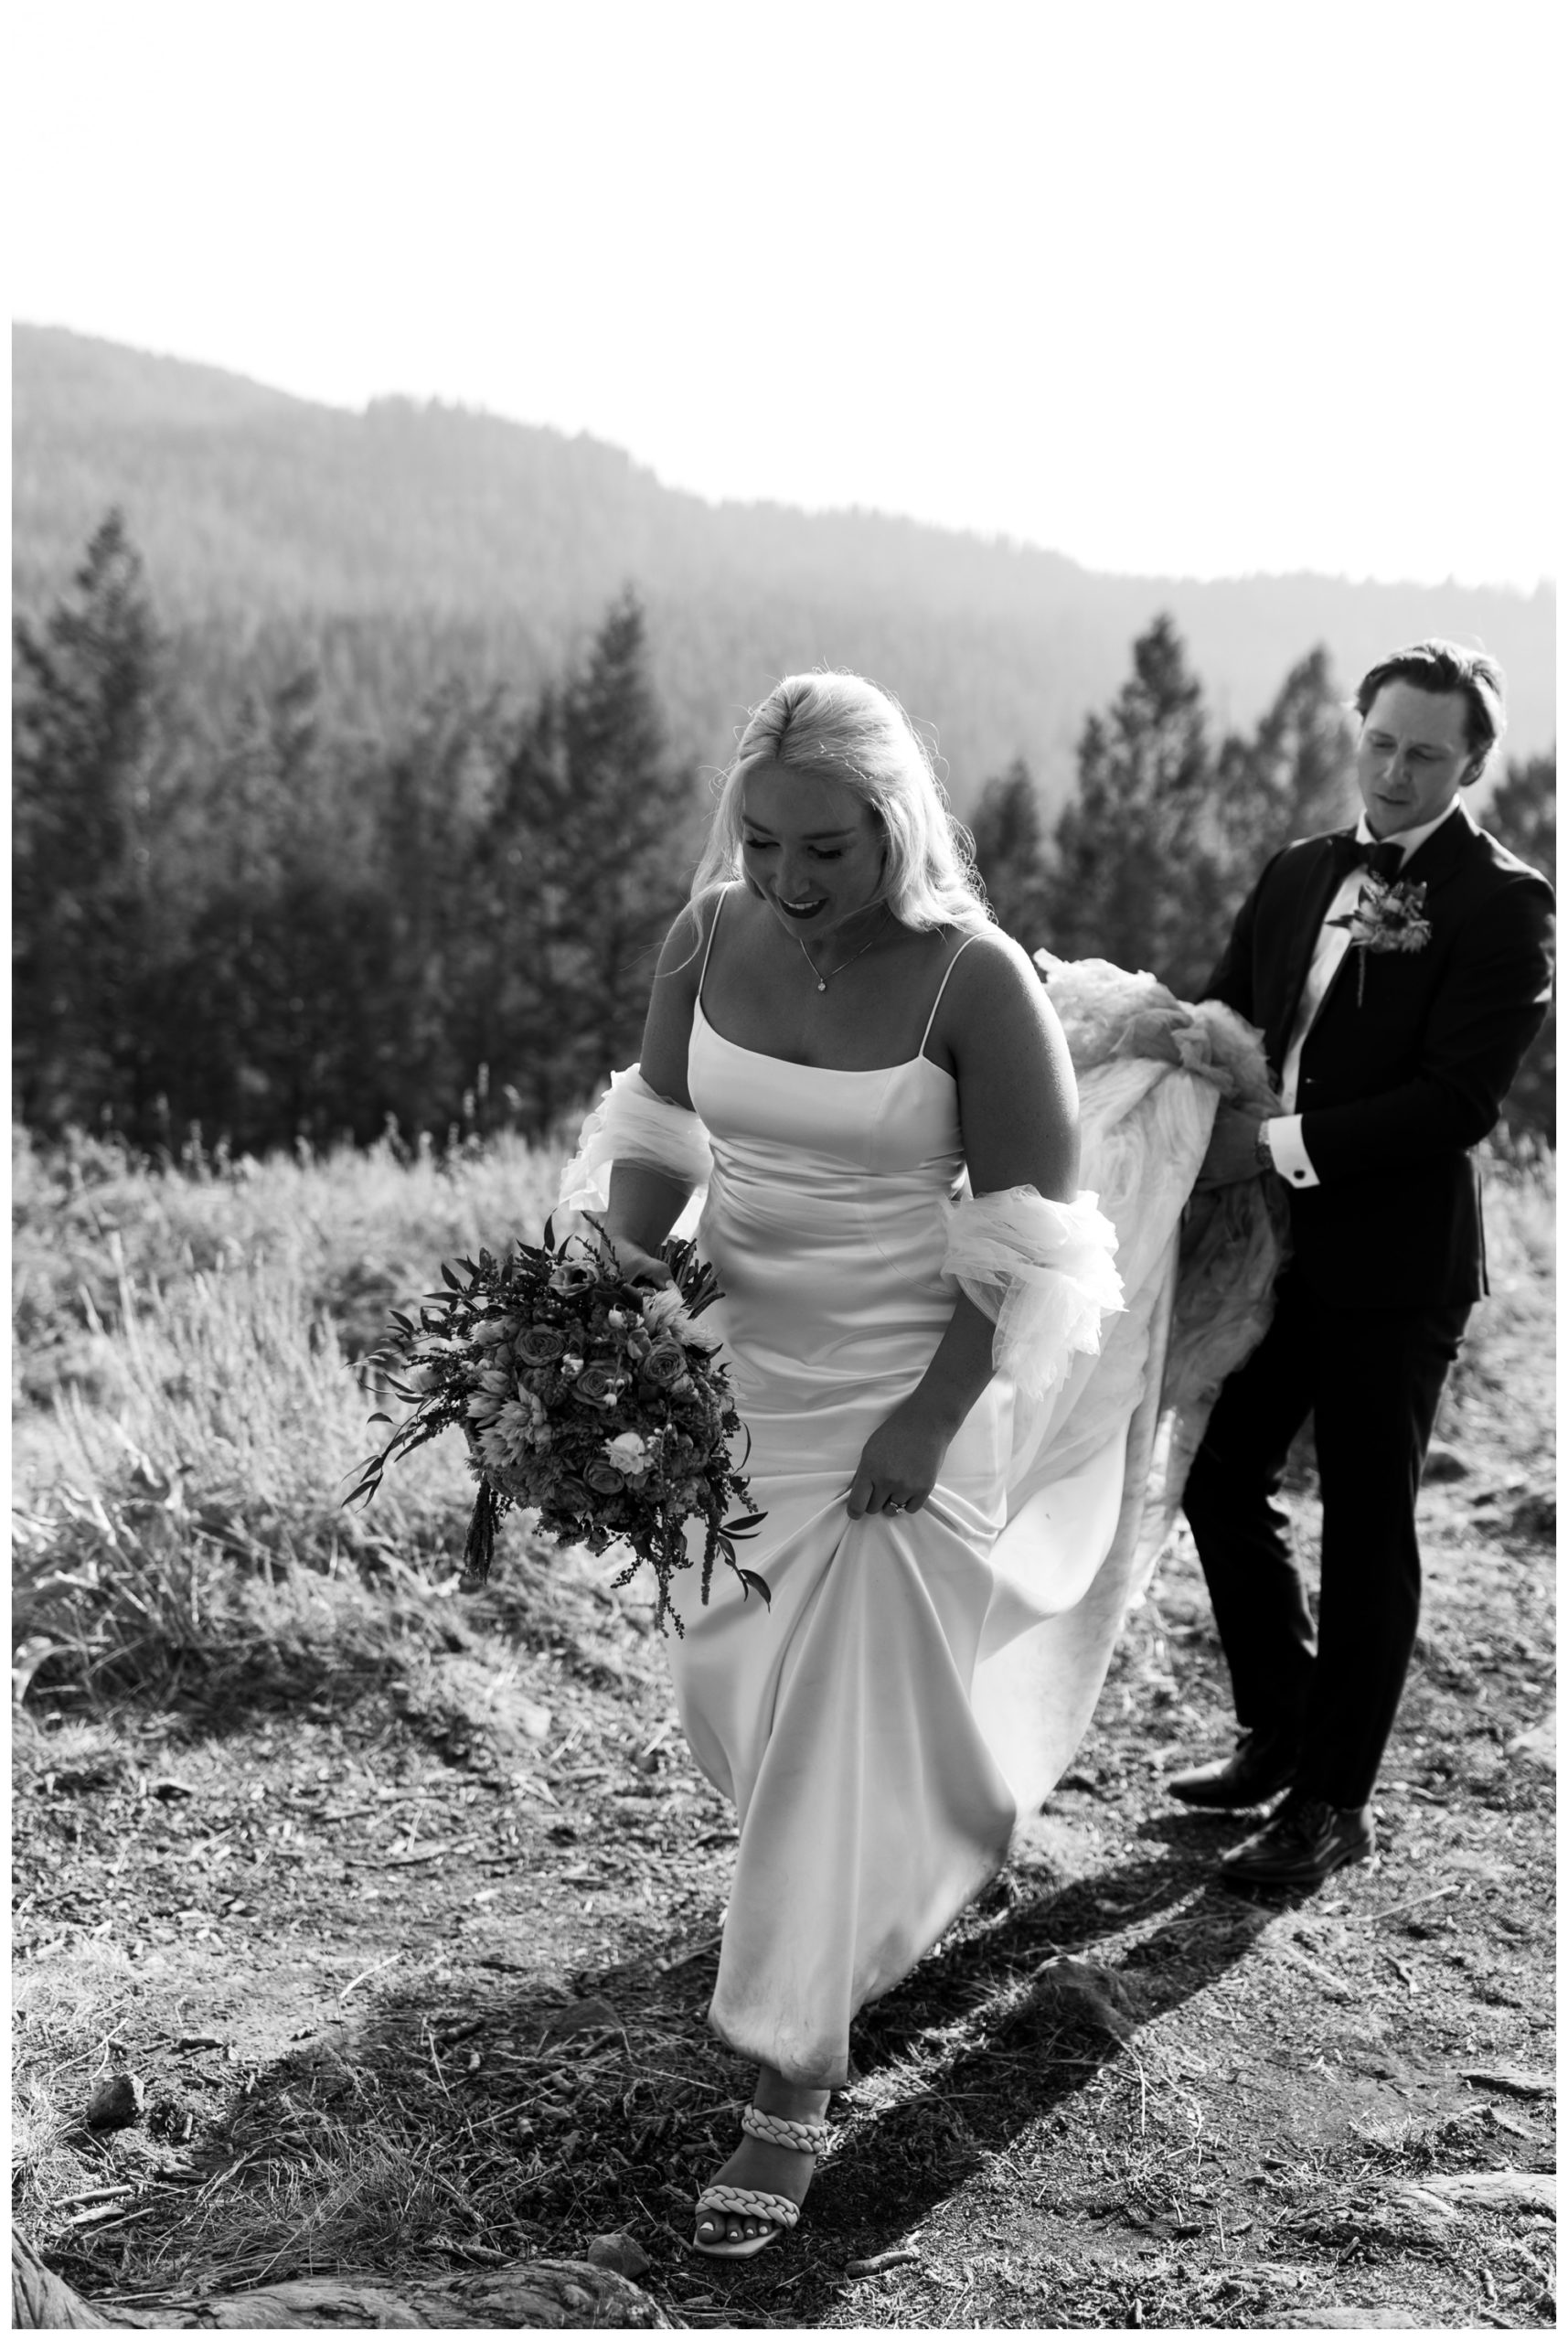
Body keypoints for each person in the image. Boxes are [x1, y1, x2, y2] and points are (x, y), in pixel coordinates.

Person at [553, 672, 1230, 2258]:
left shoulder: (972, 986)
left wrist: (930, 1416)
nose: (790, 881)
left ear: (896, 829)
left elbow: (1031, 1245)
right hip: (733, 1386)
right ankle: (913, 1850)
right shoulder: (705, 937)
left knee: (836, 1721)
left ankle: (795, 2076)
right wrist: (616, 1291)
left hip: (910, 1397)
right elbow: (657, 1133)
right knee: (745, 1708)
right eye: (766, 842)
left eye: (830, 852)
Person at [1171, 639, 1555, 1892]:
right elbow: (1227, 1018)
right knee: (1222, 1478)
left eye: (1427, 754)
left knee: (1367, 1522)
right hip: (1275, 1261)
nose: (1394, 771)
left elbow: (1457, 1103)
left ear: (1474, 766)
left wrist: (1271, 1144)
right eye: (1381, 741)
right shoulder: (1297, 873)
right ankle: (1281, 1727)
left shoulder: (1508, 902)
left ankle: (1335, 1803)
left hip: (1399, 1271)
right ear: (1360, 727)